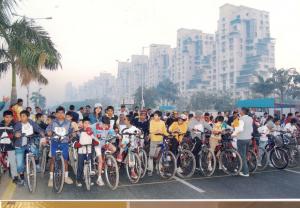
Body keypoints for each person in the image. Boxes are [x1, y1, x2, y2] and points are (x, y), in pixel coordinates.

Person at [14, 110, 44, 185]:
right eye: (21, 116)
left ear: (28, 117)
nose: (21, 117)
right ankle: (22, 179)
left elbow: (38, 129)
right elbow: (15, 132)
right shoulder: (17, 124)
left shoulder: (31, 122)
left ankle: (36, 163)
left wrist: (42, 133)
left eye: (23, 116)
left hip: (29, 142)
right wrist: (16, 134)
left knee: (36, 151)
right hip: (19, 145)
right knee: (20, 164)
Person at [46, 106, 74, 187]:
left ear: (64, 114)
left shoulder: (68, 122)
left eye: (62, 113)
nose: (60, 114)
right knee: (53, 159)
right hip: (54, 142)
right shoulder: (53, 122)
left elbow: (71, 132)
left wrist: (71, 136)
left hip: (64, 143)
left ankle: (66, 177)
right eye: (58, 113)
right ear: (56, 114)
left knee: (65, 160)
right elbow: (48, 130)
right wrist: (49, 132)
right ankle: (51, 178)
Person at [73, 117, 99, 187]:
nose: (87, 124)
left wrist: (95, 142)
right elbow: (74, 140)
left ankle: (89, 179)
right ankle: (78, 180)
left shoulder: (91, 131)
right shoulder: (79, 132)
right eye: (85, 123)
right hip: (81, 151)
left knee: (90, 164)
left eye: (88, 123)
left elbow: (94, 138)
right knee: (80, 166)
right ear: (83, 124)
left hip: (89, 150)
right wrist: (76, 144)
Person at [91, 116, 117, 186]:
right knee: (100, 161)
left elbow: (113, 133)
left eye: (107, 125)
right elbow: (88, 129)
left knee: (114, 149)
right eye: (104, 125)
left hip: (105, 143)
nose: (106, 127)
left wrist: (117, 135)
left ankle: (107, 158)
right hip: (97, 144)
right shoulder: (94, 126)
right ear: (101, 123)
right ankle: (99, 179)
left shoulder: (108, 127)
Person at [117, 115, 141, 179]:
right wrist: (119, 140)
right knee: (122, 148)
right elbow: (120, 136)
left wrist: (138, 134)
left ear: (129, 121)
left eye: (125, 119)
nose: (124, 120)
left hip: (132, 144)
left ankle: (132, 172)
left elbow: (139, 132)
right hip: (124, 144)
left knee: (131, 154)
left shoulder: (134, 128)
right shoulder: (123, 129)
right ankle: (120, 157)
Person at [232, 107, 253, 177]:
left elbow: (239, 129)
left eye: (240, 110)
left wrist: (232, 135)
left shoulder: (241, 119)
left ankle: (246, 172)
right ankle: (240, 169)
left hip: (241, 139)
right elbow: (251, 129)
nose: (239, 111)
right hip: (248, 138)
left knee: (242, 156)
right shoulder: (250, 119)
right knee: (244, 155)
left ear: (243, 112)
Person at [0, 110, 19, 184]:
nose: (8, 119)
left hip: (10, 146)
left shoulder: (14, 125)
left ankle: (15, 177)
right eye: (6, 117)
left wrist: (17, 135)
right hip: (1, 145)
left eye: (10, 117)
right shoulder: (0, 125)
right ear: (3, 117)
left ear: (12, 117)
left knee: (12, 161)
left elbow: (17, 134)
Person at [147, 111, 168, 176]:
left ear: (159, 117)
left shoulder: (162, 123)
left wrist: (169, 134)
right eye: (154, 115)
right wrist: (157, 131)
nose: (154, 116)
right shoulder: (152, 122)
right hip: (153, 140)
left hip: (160, 140)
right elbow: (151, 131)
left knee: (159, 155)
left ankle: (159, 168)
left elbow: (164, 131)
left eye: (156, 115)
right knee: (151, 156)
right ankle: (150, 169)